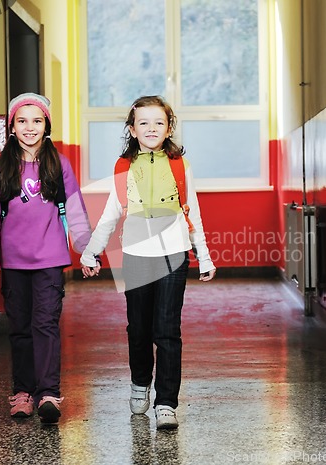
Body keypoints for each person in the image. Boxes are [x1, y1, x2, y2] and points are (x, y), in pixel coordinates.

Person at [80, 95, 216, 429]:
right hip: (136, 257)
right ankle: (140, 383)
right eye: (144, 122)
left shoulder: (181, 165)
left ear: (169, 128)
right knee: (138, 329)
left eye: (159, 122)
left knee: (167, 331)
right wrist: (91, 251)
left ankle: (167, 403)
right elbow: (111, 214)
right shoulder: (123, 167)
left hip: (174, 255)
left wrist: (205, 255)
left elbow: (192, 211)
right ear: (132, 129)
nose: (151, 128)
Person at [0, 92, 93, 424]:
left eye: (37, 121)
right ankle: (23, 391)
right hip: (13, 263)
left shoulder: (59, 164)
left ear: (46, 126)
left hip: (50, 261)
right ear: (12, 126)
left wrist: (86, 251)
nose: (30, 127)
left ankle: (48, 394)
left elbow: (75, 211)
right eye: (22, 121)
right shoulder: (2, 166)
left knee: (45, 325)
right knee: (20, 328)